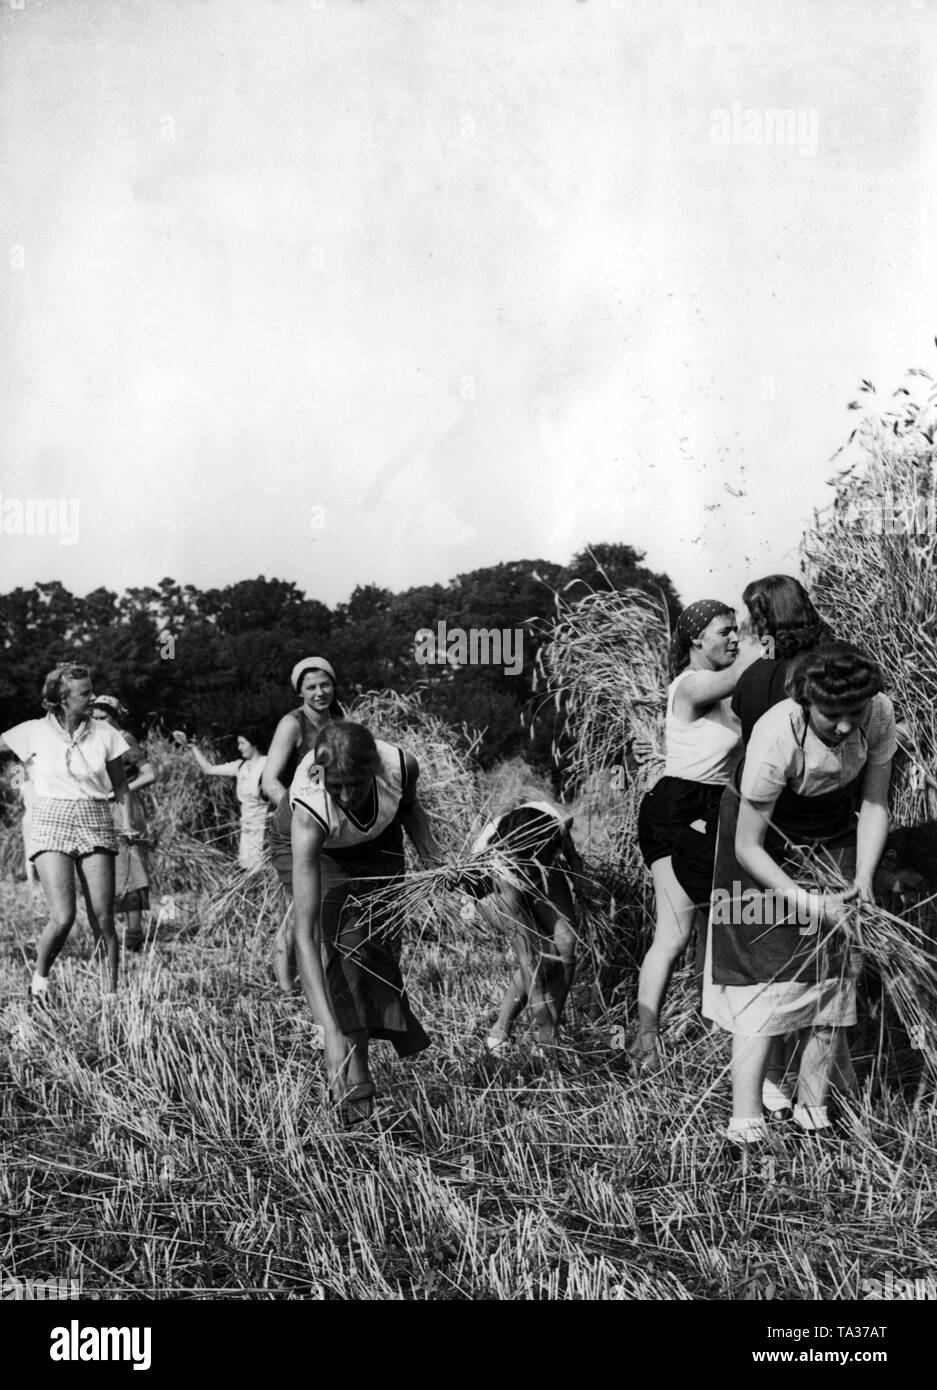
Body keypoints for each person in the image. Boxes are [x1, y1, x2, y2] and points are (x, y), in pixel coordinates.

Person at [702, 642, 896, 1144]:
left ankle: (814, 1112)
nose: (847, 726)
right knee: (762, 974)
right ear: (805, 702)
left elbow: (874, 804)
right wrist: (809, 903)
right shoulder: (775, 736)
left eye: (854, 712)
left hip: (830, 835)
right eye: (832, 715)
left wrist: (863, 880)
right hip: (761, 847)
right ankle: (745, 1124)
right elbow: (748, 844)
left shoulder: (877, 714)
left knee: (832, 971)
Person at [290, 720, 445, 1122]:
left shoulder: (401, 766)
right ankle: (356, 1087)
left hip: (379, 844)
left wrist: (431, 854)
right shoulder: (310, 807)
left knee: (380, 953)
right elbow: (305, 935)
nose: (343, 794)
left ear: (374, 770)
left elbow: (409, 806)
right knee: (348, 951)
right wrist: (328, 1031)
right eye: (334, 785)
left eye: (354, 785)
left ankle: (361, 1061)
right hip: (325, 851)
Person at [631, 599, 761, 1068]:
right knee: (674, 933)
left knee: (708, 923)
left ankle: (715, 1028)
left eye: (735, 631)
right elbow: (739, 672)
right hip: (676, 809)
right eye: (725, 631)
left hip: (711, 808)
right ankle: (646, 1039)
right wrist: (762, 644)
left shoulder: (725, 697)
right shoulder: (691, 686)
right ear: (696, 641)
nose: (732, 638)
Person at [0, 664, 137, 997]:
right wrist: (16, 781)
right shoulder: (31, 731)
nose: (92, 698)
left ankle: (110, 996)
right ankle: (40, 982)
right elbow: (9, 761)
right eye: (85, 693)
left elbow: (121, 786)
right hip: (50, 820)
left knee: (103, 918)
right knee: (63, 916)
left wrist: (129, 825)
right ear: (61, 699)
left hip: (95, 819)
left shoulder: (106, 734)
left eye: (92, 690)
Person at [462, 802, 583, 1058]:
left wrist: (582, 883)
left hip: (536, 866)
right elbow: (525, 954)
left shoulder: (553, 827)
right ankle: (500, 1032)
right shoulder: (498, 862)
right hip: (492, 887)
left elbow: (572, 857)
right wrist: (540, 1014)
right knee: (542, 955)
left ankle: (550, 1037)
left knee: (567, 945)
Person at [263, 657, 340, 992]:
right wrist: (295, 812)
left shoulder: (339, 723)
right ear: (300, 692)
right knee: (299, 906)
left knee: (319, 906)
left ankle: (315, 982)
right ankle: (286, 985)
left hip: (330, 828)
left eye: (325, 685)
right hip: (294, 824)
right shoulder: (292, 724)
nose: (320, 692)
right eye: (311, 687)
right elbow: (269, 780)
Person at [92, 695, 158, 951]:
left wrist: (120, 791)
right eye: (94, 717)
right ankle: (110, 932)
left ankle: (134, 932)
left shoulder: (125, 739)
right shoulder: (95, 739)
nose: (98, 722)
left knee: (131, 871)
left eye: (103, 717)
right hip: (101, 811)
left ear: (115, 717)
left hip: (124, 811)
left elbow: (150, 773)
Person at [173, 728, 268, 870]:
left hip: (265, 826)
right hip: (247, 826)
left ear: (253, 744)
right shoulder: (240, 766)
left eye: (242, 743)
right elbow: (209, 769)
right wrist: (193, 748)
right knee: (248, 866)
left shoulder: (267, 764)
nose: (239, 747)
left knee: (263, 865)